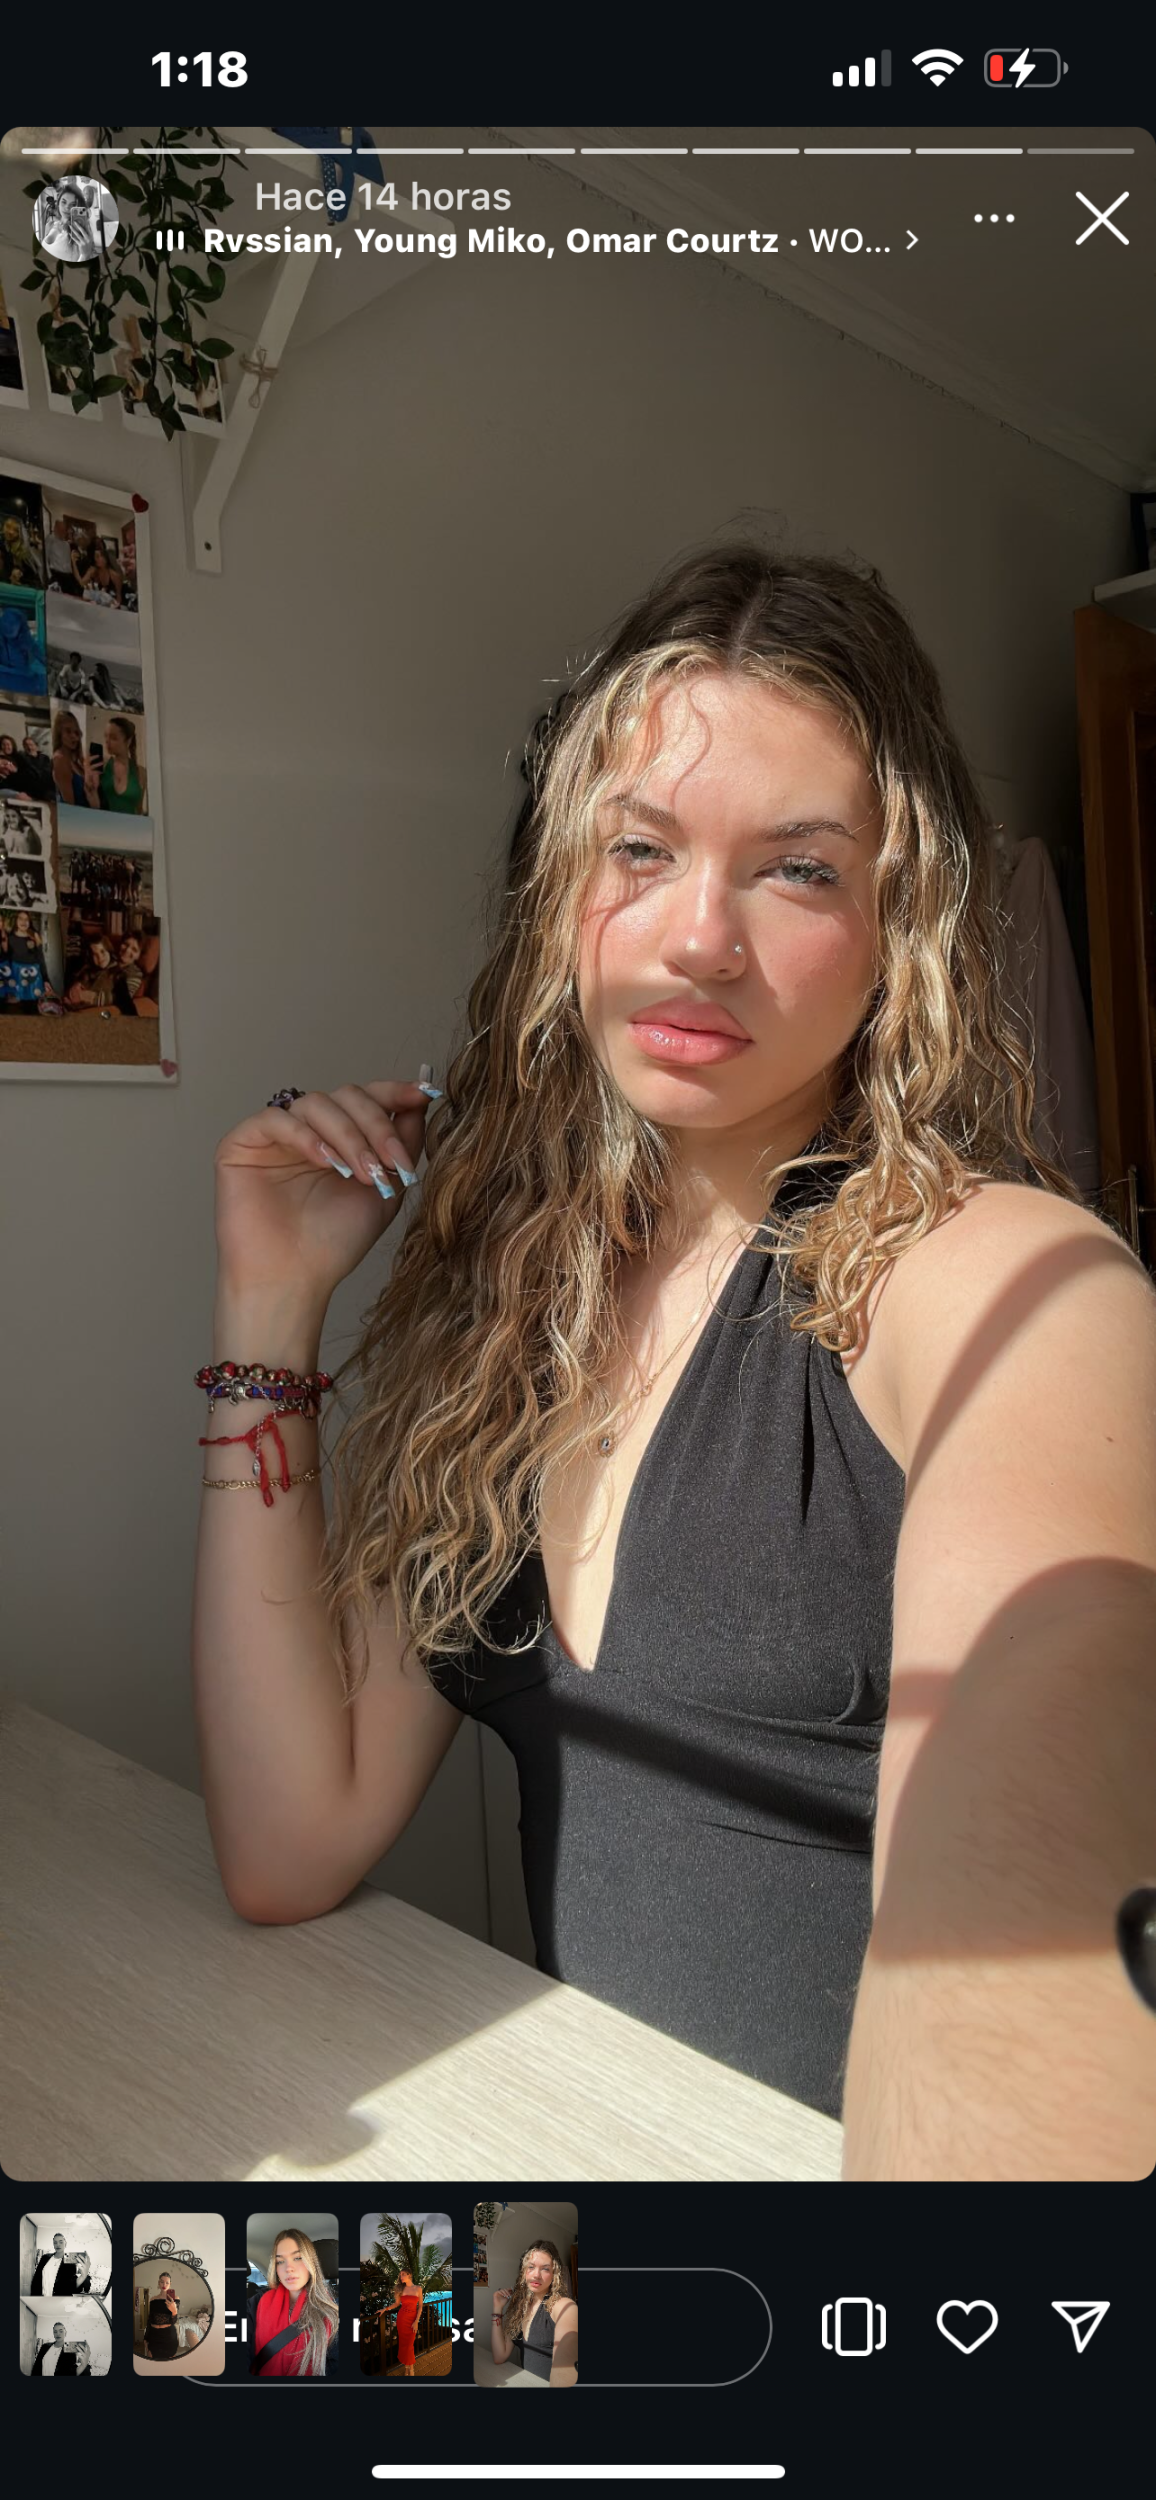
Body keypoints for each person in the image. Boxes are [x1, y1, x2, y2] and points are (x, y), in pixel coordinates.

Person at [195, 543, 1156, 2183]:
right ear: (561, 891)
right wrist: (266, 1313)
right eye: (640, 850)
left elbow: (1018, 1973)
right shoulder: (510, 1313)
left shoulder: (1013, 1288)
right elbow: (294, 1835)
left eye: (798, 869)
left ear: (899, 925)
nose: (699, 937)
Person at [250, 2229, 338, 2377]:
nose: (288, 2268)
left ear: (310, 2262)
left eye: (297, 2258)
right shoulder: (257, 2302)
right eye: (280, 2261)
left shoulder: (332, 2314)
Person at [491, 2243, 578, 2386]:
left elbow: (564, 2374)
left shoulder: (564, 2307)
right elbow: (500, 2356)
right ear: (523, 2271)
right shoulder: (519, 2308)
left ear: (554, 2274)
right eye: (531, 2267)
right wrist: (497, 2308)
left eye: (545, 2269)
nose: (536, 2275)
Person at [96, 714, 146, 813]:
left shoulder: (140, 772)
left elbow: (139, 809)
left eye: (113, 738)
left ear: (128, 741)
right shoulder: (102, 765)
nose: (107, 741)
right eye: (106, 736)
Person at [380, 2266, 424, 2377]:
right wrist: (385, 2309)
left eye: (403, 2274)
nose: (401, 2276)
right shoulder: (400, 2289)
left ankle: (410, 2368)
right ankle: (408, 2368)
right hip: (402, 2319)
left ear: (409, 2275)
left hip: (412, 2320)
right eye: (400, 2275)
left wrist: (416, 2321)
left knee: (409, 2345)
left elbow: (420, 2306)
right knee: (404, 2344)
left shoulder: (418, 2288)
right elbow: (396, 2304)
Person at [51, 703, 96, 807]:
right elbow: (69, 804)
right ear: (59, 733)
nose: (74, 737)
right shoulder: (60, 760)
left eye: (76, 733)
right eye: (68, 731)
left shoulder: (74, 759)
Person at [144, 2273, 180, 2359]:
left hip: (168, 2336)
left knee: (170, 2363)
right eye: (162, 2282)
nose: (164, 2285)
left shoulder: (175, 2299)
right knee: (153, 2362)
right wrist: (146, 2338)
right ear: (158, 2283)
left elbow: (174, 2321)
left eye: (167, 2282)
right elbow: (150, 2319)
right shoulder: (153, 2299)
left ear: (170, 2284)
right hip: (154, 2335)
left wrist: (174, 2311)